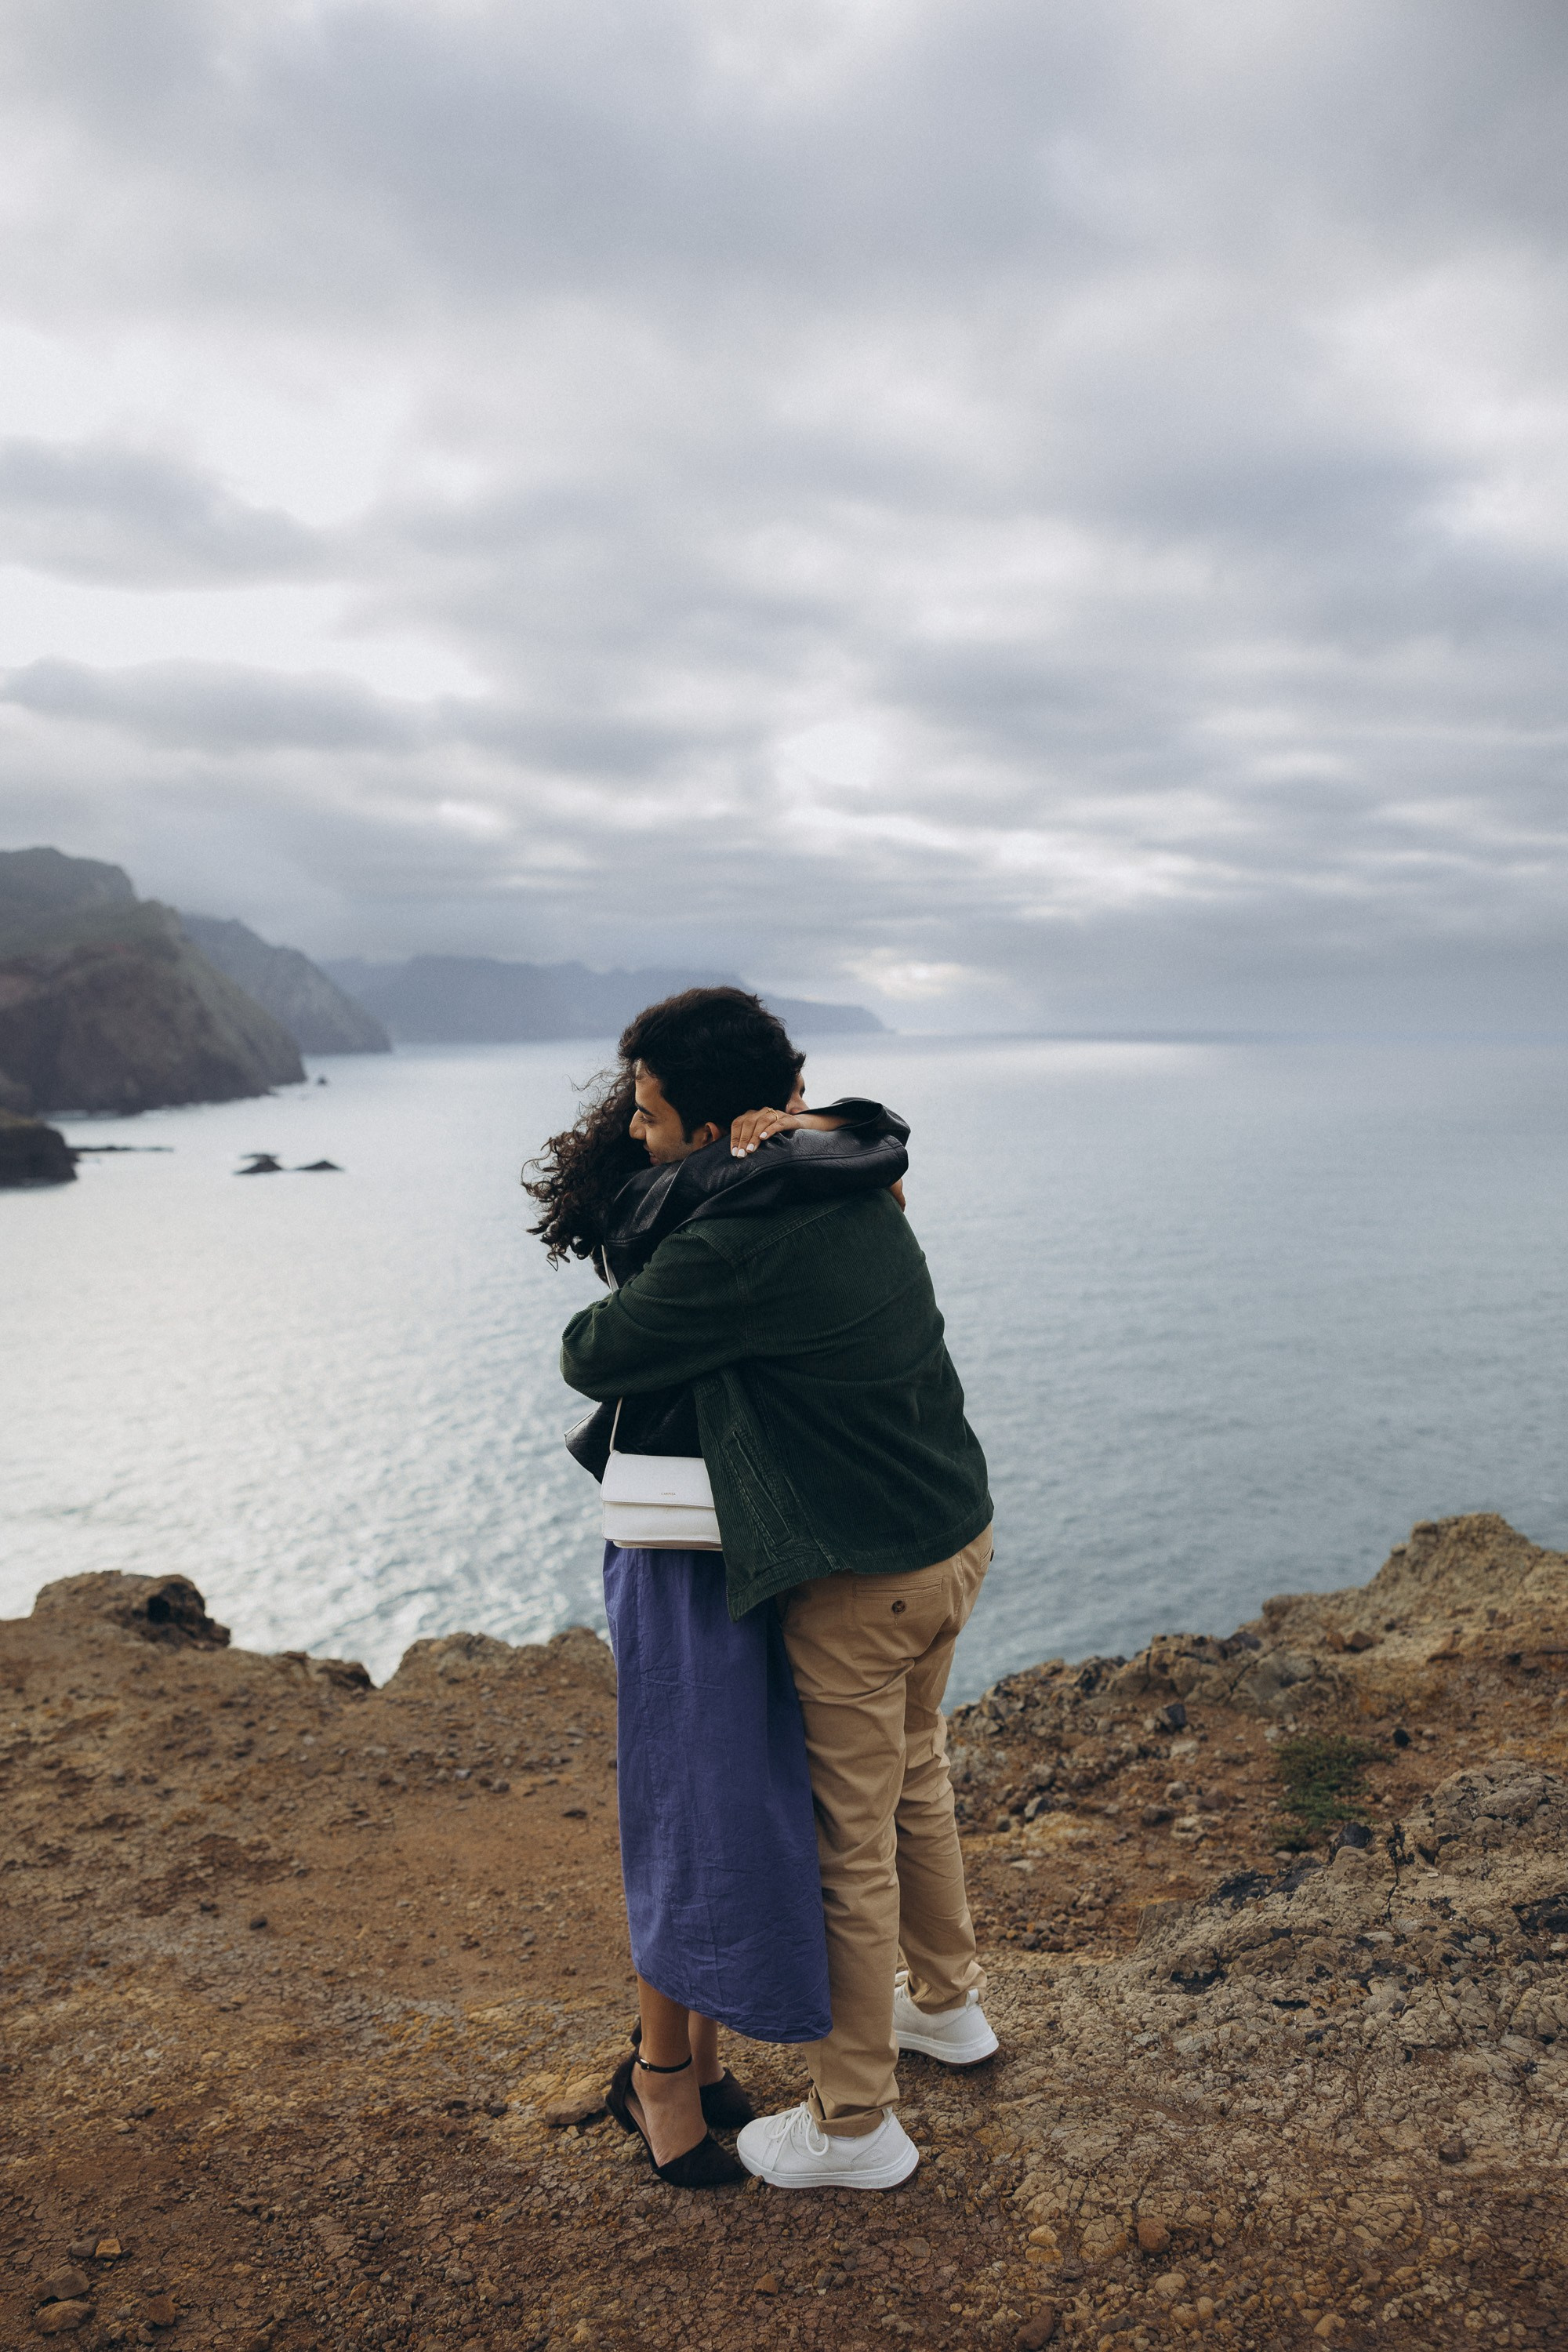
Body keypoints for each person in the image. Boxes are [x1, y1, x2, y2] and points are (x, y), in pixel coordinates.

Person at [540, 986, 999, 2194]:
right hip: (955, 1533)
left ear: (707, 1124)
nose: (637, 1134)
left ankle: (856, 2127)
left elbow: (593, 1350)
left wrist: (688, 1202)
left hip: (866, 1580)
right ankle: (948, 2008)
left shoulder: (738, 1241)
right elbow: (865, 1123)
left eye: (648, 1115)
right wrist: (780, 1129)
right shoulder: (849, 1168)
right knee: (917, 1773)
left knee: (845, 1842)